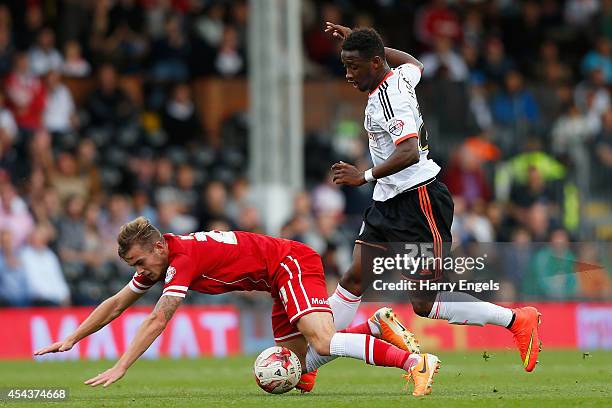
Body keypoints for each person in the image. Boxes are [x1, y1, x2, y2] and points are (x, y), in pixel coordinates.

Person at [323, 22, 541, 372]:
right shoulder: (399, 78)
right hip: (387, 201)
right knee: (353, 278)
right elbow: (414, 63)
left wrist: (362, 176)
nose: (348, 74)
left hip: (418, 203)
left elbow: (408, 151)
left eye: (354, 66)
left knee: (426, 302)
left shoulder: (389, 98)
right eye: (346, 65)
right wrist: (363, 42)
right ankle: (314, 357)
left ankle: (516, 321)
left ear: (376, 64)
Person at [34, 217, 439, 397]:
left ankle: (414, 364)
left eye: (141, 262)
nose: (141, 271)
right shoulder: (165, 257)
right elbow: (117, 303)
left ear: (158, 246)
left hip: (289, 264)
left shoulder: (182, 259)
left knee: (324, 341)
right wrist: (71, 338)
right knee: (297, 369)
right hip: (273, 283)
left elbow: (159, 318)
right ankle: (372, 330)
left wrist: (122, 365)